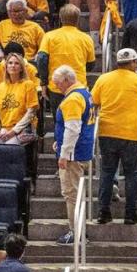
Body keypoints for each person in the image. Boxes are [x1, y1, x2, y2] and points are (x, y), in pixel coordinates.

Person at [50, 65, 94, 245]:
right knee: (74, 193)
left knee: (71, 194)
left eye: (58, 83)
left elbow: (73, 128)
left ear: (67, 80)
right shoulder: (84, 92)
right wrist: (59, 142)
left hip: (73, 155)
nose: (57, 87)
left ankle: (76, 232)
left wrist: (64, 153)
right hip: (81, 149)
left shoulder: (73, 99)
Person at [0, 53, 38, 146]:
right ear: (6, 67)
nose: (13, 66)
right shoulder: (2, 86)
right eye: (10, 63)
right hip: (5, 128)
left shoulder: (29, 84)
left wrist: (14, 131)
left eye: (17, 63)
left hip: (24, 129)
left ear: (21, 68)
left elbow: (31, 112)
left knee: (9, 148)